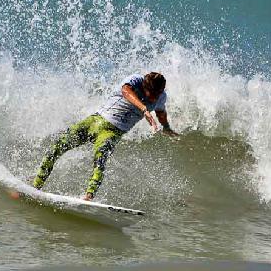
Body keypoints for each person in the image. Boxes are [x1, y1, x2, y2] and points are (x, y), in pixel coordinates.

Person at [32, 72, 178, 201]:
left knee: (100, 161)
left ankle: (88, 197)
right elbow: (125, 91)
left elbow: (161, 112)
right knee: (57, 147)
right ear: (145, 87)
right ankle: (35, 187)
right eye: (151, 95)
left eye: (157, 95)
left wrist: (166, 128)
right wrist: (144, 109)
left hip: (112, 131)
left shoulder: (161, 97)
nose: (154, 98)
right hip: (93, 121)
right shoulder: (135, 79)